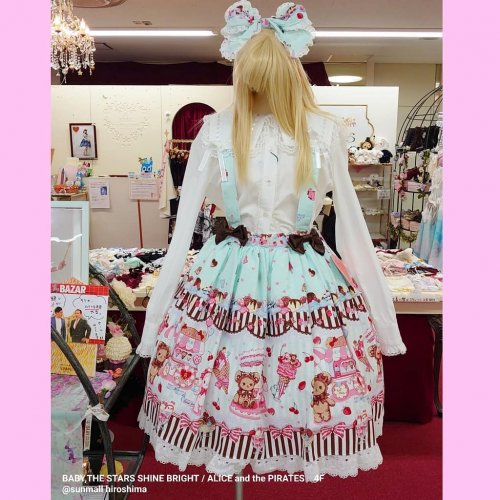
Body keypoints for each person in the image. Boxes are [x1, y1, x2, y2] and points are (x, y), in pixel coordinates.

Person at [136, 1, 406, 481]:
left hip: (288, 273)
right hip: (237, 275)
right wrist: (156, 320)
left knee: (305, 367)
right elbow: (183, 225)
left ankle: (283, 441)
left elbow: (351, 223)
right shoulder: (215, 131)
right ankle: (234, 438)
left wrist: (384, 322)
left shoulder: (324, 132)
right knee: (230, 364)